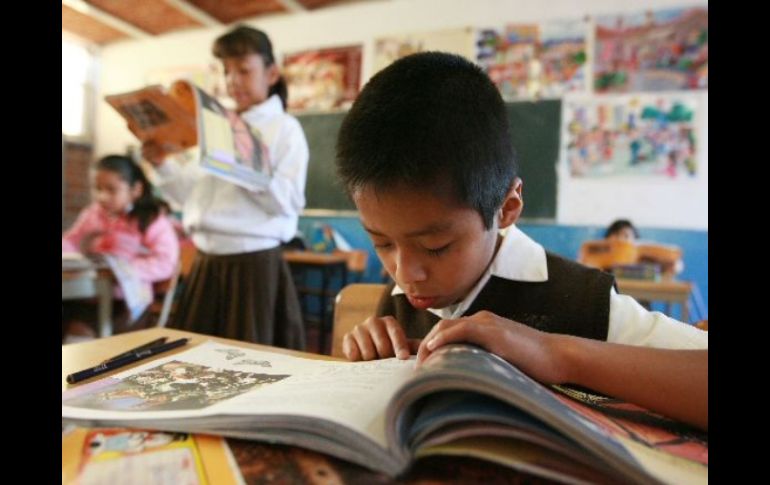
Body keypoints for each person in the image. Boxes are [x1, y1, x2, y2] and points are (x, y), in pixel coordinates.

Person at [334, 52, 707, 430]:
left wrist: (558, 353)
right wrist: (371, 359)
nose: (404, 273)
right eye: (382, 243)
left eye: (436, 246)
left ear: (507, 208)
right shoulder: (399, 300)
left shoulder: (583, 301)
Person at [142, 25, 309, 348]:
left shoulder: (284, 129)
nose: (233, 80)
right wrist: (161, 163)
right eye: (227, 71)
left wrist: (240, 163)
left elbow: (288, 202)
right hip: (206, 262)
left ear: (272, 73)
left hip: (252, 265)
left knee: (249, 361)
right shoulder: (218, 125)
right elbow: (188, 195)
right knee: (194, 362)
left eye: (244, 71)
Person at [62, 155, 179, 340]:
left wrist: (124, 269)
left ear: (136, 189)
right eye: (98, 189)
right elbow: (70, 241)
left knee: (78, 330)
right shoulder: (93, 213)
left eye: (111, 189)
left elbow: (166, 262)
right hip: (88, 296)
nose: (102, 196)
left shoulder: (151, 220)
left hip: (128, 303)